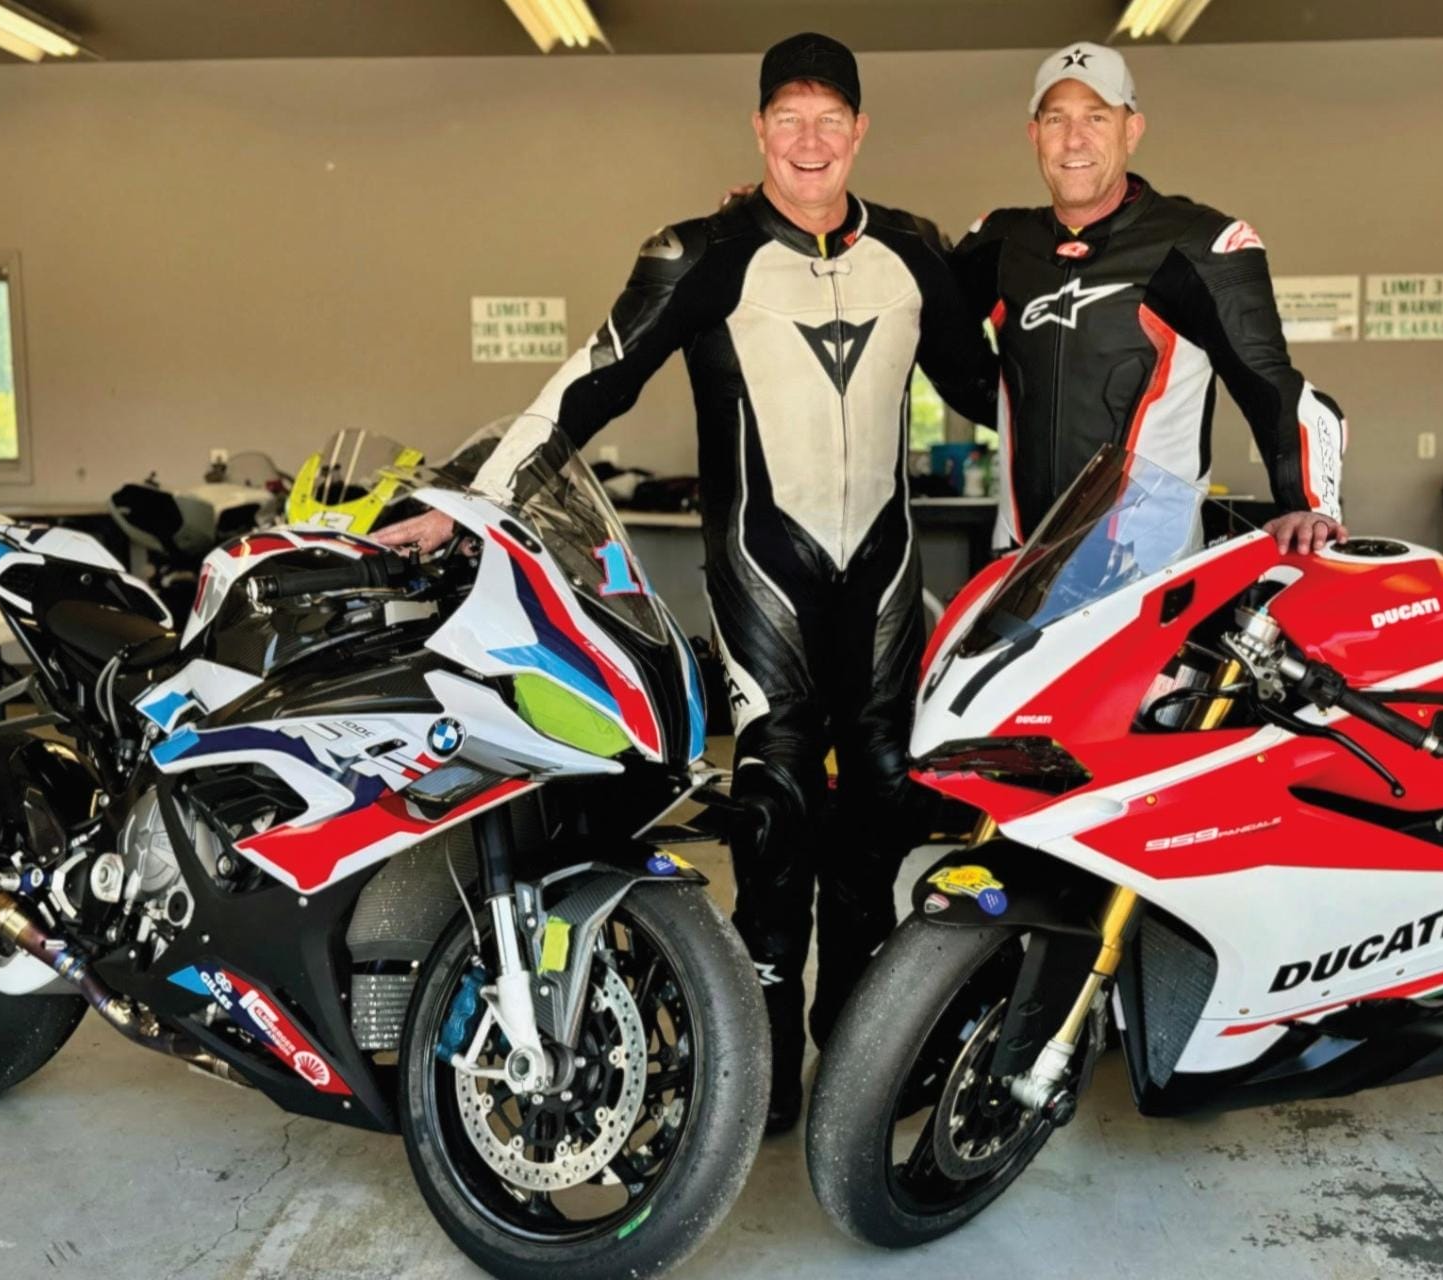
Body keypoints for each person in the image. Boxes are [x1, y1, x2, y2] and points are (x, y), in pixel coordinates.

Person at [375, 33, 995, 1134]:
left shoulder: (912, 252)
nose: (809, 141)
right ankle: (758, 1079)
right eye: (787, 120)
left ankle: (860, 1047)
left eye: (829, 119)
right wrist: (471, 501)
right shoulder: (700, 251)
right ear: (759, 131)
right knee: (774, 813)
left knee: (881, 811)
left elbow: (997, 388)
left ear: (859, 131)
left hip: (883, 580)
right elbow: (589, 382)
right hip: (766, 577)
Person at [954, 42, 1349, 555]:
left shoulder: (1199, 244)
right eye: (1056, 119)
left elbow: (1269, 382)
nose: (1074, 139)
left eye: (1096, 117)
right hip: (1019, 564)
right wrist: (1007, 410)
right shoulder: (1000, 243)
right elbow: (939, 342)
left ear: (1131, 130)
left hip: (1148, 570)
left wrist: (1308, 502)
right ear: (1035, 136)